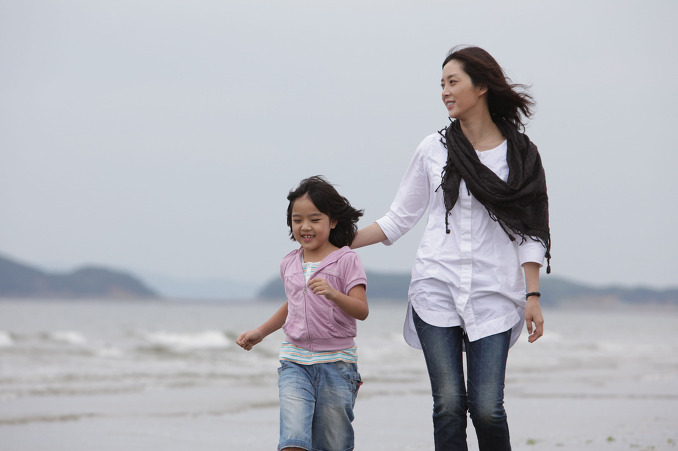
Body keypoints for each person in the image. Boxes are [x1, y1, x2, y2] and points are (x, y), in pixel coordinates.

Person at [351, 46, 550, 450]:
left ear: (481, 87)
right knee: (448, 405)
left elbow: (530, 232)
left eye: (452, 82)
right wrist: (338, 241)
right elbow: (398, 218)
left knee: (488, 409)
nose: (444, 91)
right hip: (435, 288)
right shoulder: (433, 149)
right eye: (441, 84)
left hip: (494, 295)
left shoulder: (521, 155)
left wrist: (532, 295)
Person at [236, 175, 368, 451]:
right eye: (297, 220)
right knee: (293, 440)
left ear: (332, 221)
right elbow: (293, 304)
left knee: (332, 445)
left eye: (314, 219)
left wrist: (333, 293)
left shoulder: (347, 259)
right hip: (294, 363)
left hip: (337, 365)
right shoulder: (289, 263)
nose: (305, 227)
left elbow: (361, 309)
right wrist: (260, 332)